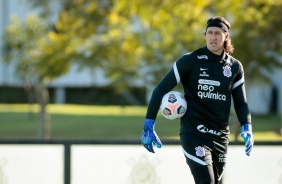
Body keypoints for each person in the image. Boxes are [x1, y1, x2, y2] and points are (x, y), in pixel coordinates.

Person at [141, 16, 254, 184]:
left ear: (226, 37)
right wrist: (149, 123)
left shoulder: (235, 67)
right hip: (194, 134)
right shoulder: (190, 61)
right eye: (209, 33)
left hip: (220, 136)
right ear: (205, 35)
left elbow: (241, 103)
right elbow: (160, 90)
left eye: (217, 33)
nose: (213, 37)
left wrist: (247, 126)